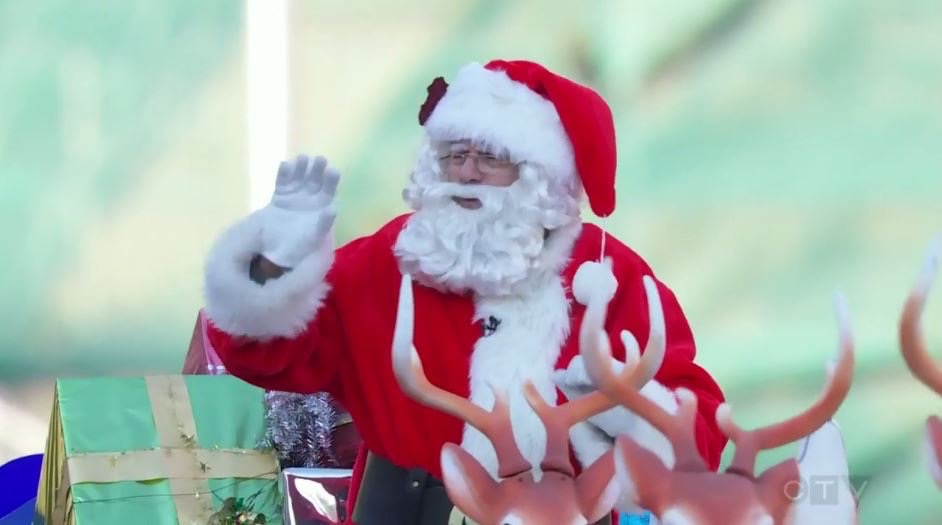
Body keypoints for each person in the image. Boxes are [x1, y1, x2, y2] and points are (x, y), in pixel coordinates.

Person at [202, 59, 728, 524]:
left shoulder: (605, 273)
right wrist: (276, 266)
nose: (467, 172)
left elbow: (697, 432)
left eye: (490, 157)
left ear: (539, 177)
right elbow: (268, 357)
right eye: (454, 154)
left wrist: (624, 409)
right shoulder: (387, 262)